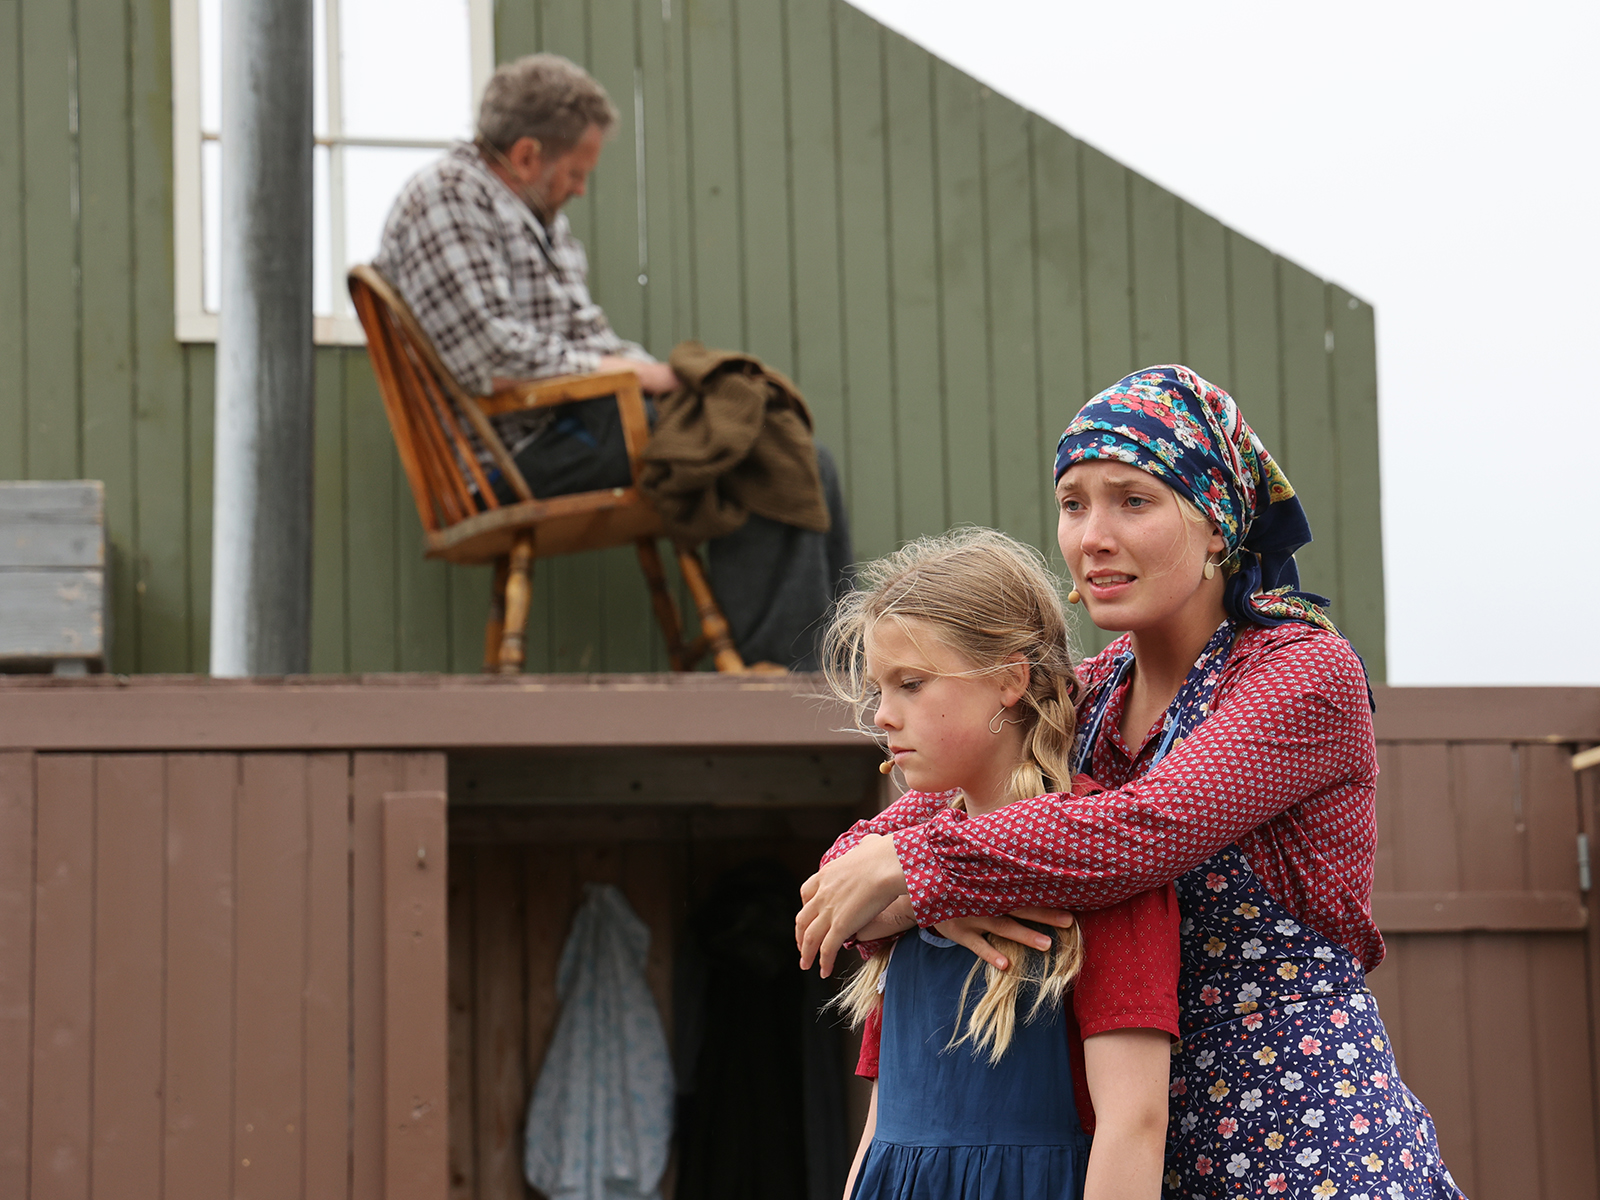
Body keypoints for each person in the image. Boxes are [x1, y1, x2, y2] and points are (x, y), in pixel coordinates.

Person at [798, 366, 1465, 1199]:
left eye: (1133, 501)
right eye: (1073, 504)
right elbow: (871, 856)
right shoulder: (1091, 692)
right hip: (1125, 1156)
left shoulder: (1303, 674)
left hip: (1307, 1145)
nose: (1093, 536)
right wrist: (914, 885)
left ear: (1217, 523)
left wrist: (918, 872)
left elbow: (1145, 829)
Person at [374, 53, 850, 668]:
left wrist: (673, 382)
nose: (580, 187)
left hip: (576, 427)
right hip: (514, 452)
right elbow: (490, 359)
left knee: (787, 439)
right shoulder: (447, 197)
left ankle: (833, 664)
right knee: (745, 445)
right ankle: (784, 670)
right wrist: (637, 376)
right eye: (576, 171)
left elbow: (591, 336)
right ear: (526, 155)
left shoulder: (539, 219)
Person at [822, 528, 1177, 1200]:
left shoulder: (1098, 863)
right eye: (878, 690)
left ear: (1010, 679)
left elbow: (1134, 1123)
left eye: (911, 684)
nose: (884, 716)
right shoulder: (900, 880)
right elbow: (882, 1129)